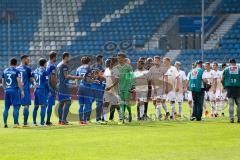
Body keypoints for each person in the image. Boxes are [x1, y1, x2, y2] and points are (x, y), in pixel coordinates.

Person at [56, 52, 82, 125]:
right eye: (69, 57)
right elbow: (66, 76)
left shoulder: (58, 65)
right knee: (68, 102)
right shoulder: (64, 65)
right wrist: (77, 77)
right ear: (66, 57)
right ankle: (63, 121)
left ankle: (60, 120)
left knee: (61, 103)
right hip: (64, 87)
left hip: (59, 85)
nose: (69, 59)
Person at [2, 58, 24, 128]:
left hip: (7, 90)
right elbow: (19, 81)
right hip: (14, 90)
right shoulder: (17, 71)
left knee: (6, 107)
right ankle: (15, 124)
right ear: (16, 63)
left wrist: (5, 88)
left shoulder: (5, 71)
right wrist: (22, 91)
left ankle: (5, 123)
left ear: (10, 63)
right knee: (16, 107)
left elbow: (3, 82)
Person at [76, 56, 98, 125]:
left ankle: (80, 120)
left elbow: (76, 79)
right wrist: (94, 80)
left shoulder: (78, 68)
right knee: (87, 104)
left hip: (80, 87)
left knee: (81, 105)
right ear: (89, 62)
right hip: (87, 88)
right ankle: (85, 120)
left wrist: (78, 87)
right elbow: (88, 80)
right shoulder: (89, 68)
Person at [114, 53, 134, 124]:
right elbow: (116, 79)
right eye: (118, 58)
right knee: (122, 103)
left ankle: (130, 114)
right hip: (120, 88)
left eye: (119, 58)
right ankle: (122, 119)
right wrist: (116, 88)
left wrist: (132, 86)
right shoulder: (116, 68)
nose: (118, 59)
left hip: (127, 87)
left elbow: (131, 77)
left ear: (123, 58)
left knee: (127, 103)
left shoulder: (128, 67)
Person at [149, 56, 169, 120]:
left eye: (157, 60)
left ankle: (158, 117)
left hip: (161, 87)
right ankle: (166, 112)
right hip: (154, 87)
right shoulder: (151, 69)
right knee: (154, 102)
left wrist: (166, 87)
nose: (156, 61)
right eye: (155, 60)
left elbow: (166, 78)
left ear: (159, 61)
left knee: (158, 101)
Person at [16, 55, 34, 127]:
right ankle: (25, 123)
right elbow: (31, 79)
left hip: (17, 90)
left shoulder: (16, 69)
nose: (28, 60)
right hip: (25, 90)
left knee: (17, 106)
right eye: (27, 59)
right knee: (26, 106)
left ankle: (16, 123)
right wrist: (34, 83)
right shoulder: (28, 69)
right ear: (23, 59)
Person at [222, 59, 240, 123]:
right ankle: (239, 118)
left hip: (229, 88)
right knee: (239, 104)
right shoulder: (239, 68)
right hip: (238, 88)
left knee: (231, 104)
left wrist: (224, 86)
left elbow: (222, 79)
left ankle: (231, 118)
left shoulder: (226, 69)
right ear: (235, 62)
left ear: (229, 63)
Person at [103, 58, 121, 122]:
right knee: (106, 103)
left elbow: (117, 81)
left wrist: (110, 87)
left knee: (116, 104)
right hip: (107, 90)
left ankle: (120, 117)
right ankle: (104, 119)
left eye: (108, 62)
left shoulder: (116, 70)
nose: (107, 63)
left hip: (114, 90)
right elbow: (105, 79)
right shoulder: (106, 70)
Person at [32, 58, 48, 126]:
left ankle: (34, 122)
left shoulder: (35, 70)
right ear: (44, 64)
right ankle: (42, 123)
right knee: (43, 106)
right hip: (42, 89)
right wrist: (49, 91)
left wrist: (34, 85)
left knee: (36, 106)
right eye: (46, 63)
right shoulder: (45, 71)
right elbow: (46, 83)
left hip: (36, 89)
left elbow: (33, 79)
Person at [90, 55, 106, 123]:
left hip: (91, 86)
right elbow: (102, 77)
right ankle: (98, 119)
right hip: (99, 87)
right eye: (102, 59)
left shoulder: (91, 66)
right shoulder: (101, 67)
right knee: (99, 103)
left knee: (89, 102)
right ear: (100, 60)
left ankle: (86, 118)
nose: (102, 60)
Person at [45, 51, 57, 125]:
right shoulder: (52, 66)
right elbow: (52, 78)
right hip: (50, 86)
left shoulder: (46, 64)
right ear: (54, 57)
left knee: (46, 104)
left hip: (45, 85)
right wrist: (54, 88)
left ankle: (45, 120)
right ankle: (47, 121)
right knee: (49, 104)